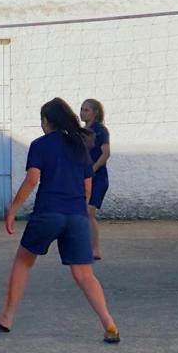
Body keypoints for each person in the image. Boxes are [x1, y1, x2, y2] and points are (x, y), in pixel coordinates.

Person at [0, 98, 120, 344]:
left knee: (23, 262)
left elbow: (32, 180)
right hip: (77, 216)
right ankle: (109, 323)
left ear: (47, 121)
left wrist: (13, 209)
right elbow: (87, 188)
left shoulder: (40, 145)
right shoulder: (80, 146)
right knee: (84, 274)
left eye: (42, 121)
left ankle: (7, 317)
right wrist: (78, 210)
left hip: (49, 212)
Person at [80, 99, 110, 260]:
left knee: (89, 212)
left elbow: (106, 153)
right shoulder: (83, 131)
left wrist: (93, 169)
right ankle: (85, 246)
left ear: (95, 112)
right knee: (82, 212)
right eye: (82, 109)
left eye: (86, 110)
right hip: (84, 178)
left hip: (98, 179)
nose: (82, 113)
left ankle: (95, 249)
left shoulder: (100, 131)